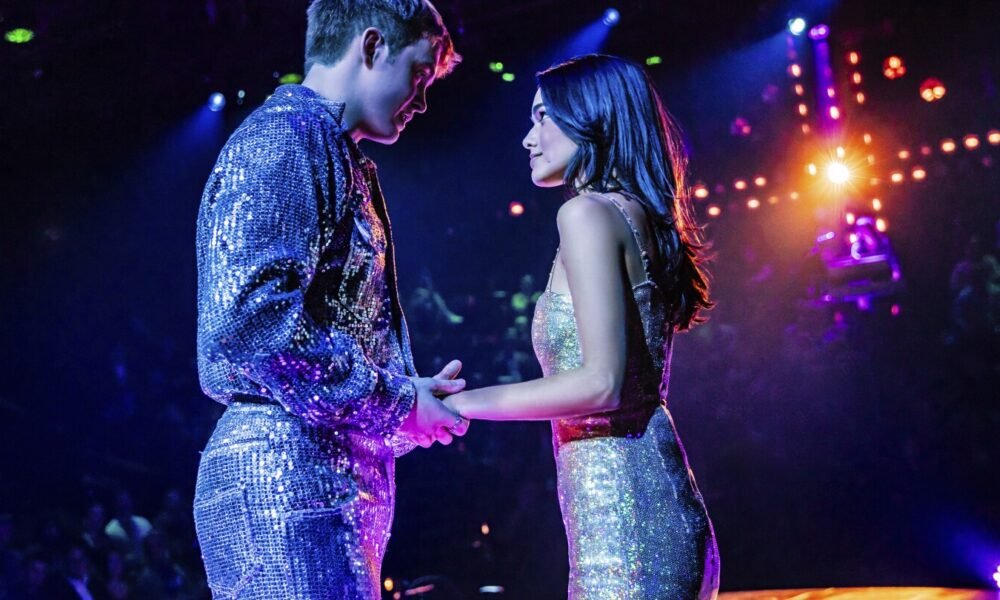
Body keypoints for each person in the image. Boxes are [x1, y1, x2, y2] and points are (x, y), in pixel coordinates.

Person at [193, 1, 468, 598]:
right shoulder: (286, 137)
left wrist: (405, 400)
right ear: (371, 46)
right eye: (419, 74)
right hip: (285, 475)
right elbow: (249, 324)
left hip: (313, 476)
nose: (422, 101)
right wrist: (396, 401)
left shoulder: (328, 148)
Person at [444, 54, 720, 598]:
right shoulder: (634, 214)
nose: (528, 138)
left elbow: (601, 384)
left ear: (592, 117)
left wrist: (460, 405)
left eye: (543, 116)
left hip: (629, 537)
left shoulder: (586, 215)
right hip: (650, 516)